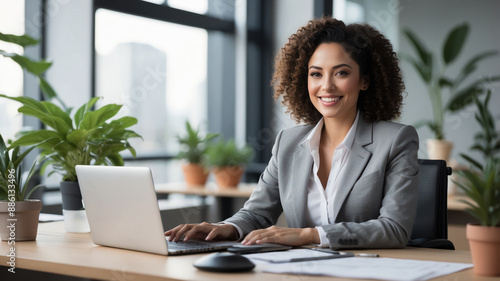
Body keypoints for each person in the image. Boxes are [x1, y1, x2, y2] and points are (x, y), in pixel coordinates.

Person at [166, 17, 419, 249]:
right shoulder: (288, 142)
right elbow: (257, 213)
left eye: (341, 73)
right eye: (316, 74)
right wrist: (224, 228)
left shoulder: (395, 140)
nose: (326, 86)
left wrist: (310, 235)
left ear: (364, 80)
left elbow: (394, 229)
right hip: (300, 270)